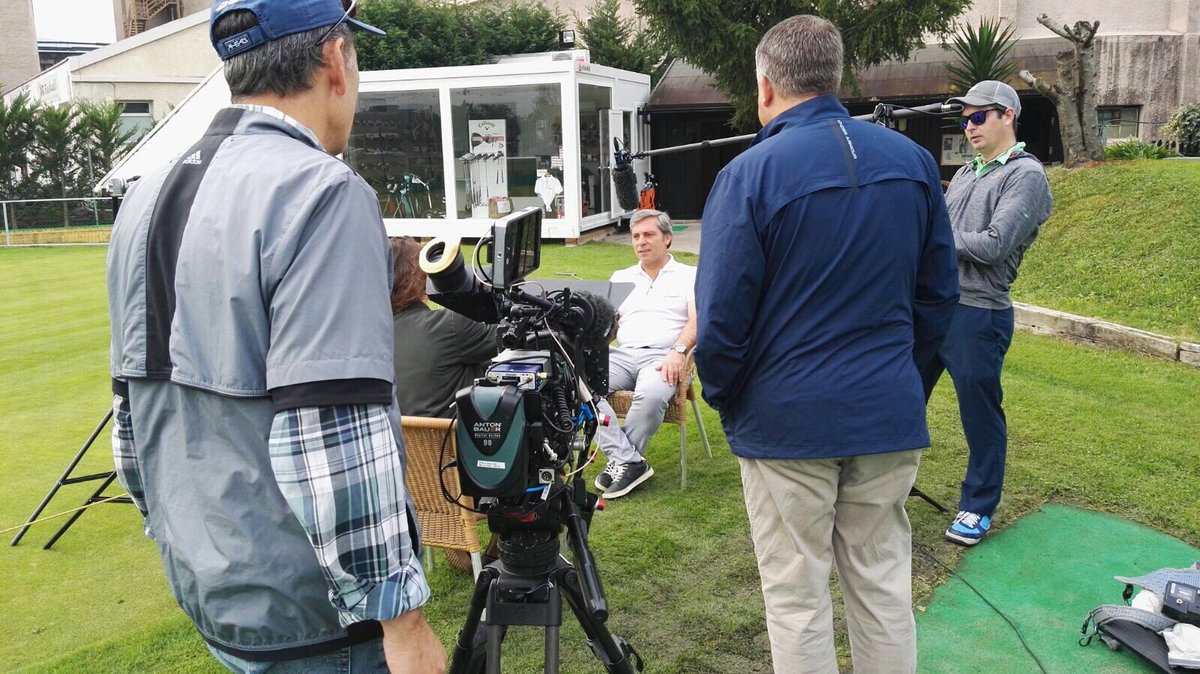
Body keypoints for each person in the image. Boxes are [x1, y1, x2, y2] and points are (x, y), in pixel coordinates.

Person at [106, 1, 446, 671]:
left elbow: (129, 419)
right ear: (333, 61)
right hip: (316, 620)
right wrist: (400, 620)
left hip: (212, 590)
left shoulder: (141, 198)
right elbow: (332, 428)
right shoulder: (321, 193)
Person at [695, 15, 959, 674]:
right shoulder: (914, 163)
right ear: (835, 76)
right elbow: (939, 298)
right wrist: (904, 379)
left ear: (764, 88)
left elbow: (721, 319)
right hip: (883, 413)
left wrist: (729, 399)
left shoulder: (749, 174)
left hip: (785, 422)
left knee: (797, 599)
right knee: (881, 587)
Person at [922, 80, 1053, 547]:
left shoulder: (1026, 176)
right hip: (935, 307)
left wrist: (933, 234)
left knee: (980, 414)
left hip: (978, 314)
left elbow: (995, 246)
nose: (969, 126)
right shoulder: (965, 173)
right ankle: (882, 489)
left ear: (1007, 116)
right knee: (902, 398)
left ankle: (977, 507)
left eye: (978, 117)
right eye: (965, 118)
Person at [593, 208, 697, 499]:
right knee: (575, 386)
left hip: (665, 356)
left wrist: (678, 351)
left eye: (649, 234)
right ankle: (628, 460)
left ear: (667, 239)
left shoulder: (689, 275)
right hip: (622, 355)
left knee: (651, 396)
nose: (641, 241)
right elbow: (607, 326)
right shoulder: (621, 276)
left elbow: (697, 320)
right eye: (636, 236)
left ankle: (622, 462)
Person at [390, 237, 500, 418]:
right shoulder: (449, 326)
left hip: (401, 443)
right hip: (454, 443)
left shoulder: (370, 335)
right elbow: (511, 335)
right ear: (418, 276)